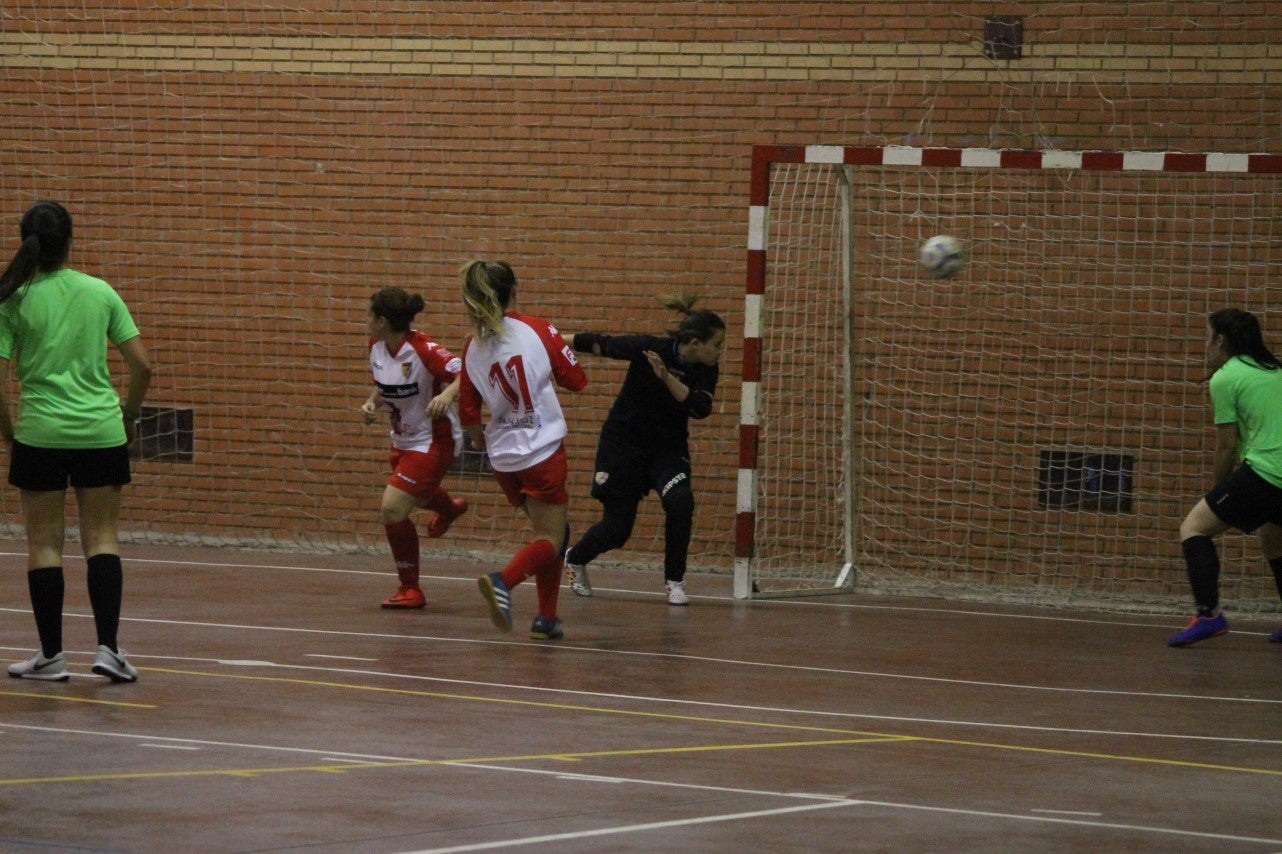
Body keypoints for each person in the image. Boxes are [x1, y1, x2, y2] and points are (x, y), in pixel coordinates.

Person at [0, 201, 152, 682]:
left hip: (39, 433)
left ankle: (52, 656)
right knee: (102, 541)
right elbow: (144, 366)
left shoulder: (13, 299)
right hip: (101, 432)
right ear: (70, 243)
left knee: (44, 546)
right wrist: (127, 415)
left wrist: (9, 434)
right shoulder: (100, 291)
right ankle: (108, 649)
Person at [561, 294, 725, 605]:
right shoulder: (650, 348)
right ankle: (576, 557)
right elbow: (601, 344)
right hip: (623, 446)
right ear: (694, 343)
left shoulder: (706, 369)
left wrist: (665, 377)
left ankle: (675, 581)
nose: (721, 350)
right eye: (716, 344)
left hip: (667, 450)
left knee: (680, 502)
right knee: (618, 529)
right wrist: (552, 339)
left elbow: (700, 408)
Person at [458, 260, 586, 639]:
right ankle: (503, 580)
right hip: (541, 449)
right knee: (553, 538)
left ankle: (546, 619)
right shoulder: (536, 328)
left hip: (503, 458)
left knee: (549, 531)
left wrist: (482, 436)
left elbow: (467, 413)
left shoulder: (472, 345)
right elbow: (577, 381)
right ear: (514, 291)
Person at [1168, 308, 1282, 647]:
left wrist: (1219, 491)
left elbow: (1226, 447)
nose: (1205, 346)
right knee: (1274, 540)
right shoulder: (1275, 370)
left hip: (1266, 472)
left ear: (1220, 340)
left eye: (1207, 337)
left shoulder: (1225, 378)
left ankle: (1208, 614)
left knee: (1193, 527)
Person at [360, 287, 469, 609]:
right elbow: (385, 387)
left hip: (433, 440)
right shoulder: (376, 347)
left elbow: (469, 373)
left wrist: (447, 395)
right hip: (402, 440)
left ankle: (411, 589)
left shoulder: (424, 350)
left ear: (381, 320)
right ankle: (449, 508)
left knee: (393, 507)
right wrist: (370, 403)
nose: (365, 320)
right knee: (419, 496)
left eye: (369, 315)